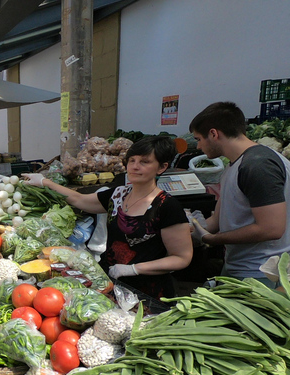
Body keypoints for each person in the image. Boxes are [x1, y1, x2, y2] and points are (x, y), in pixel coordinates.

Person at [23, 136, 193, 298]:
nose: (135, 166)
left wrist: (134, 269)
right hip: (110, 283)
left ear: (162, 167)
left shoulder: (167, 206)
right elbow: (79, 199)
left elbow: (181, 258)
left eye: (144, 162)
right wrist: (45, 182)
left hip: (149, 292)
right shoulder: (117, 195)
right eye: (132, 160)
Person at [188, 101, 290, 284]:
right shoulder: (234, 165)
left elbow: (271, 228)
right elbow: (219, 220)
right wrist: (191, 227)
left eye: (198, 139)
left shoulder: (258, 165)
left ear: (213, 134)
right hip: (239, 267)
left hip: (261, 273)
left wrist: (212, 239)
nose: (197, 147)